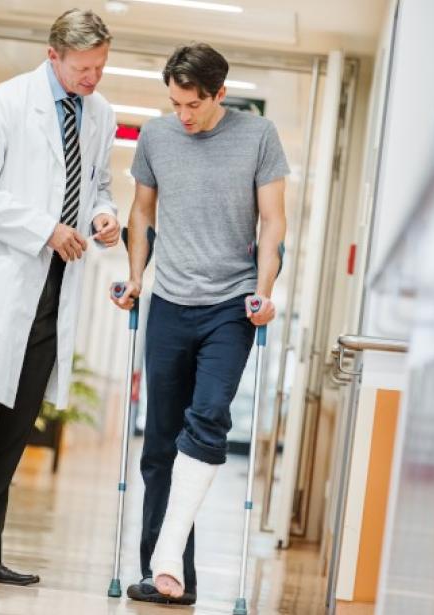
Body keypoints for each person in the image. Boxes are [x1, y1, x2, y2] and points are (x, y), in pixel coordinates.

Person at [0, 8, 121, 587]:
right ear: (53, 55)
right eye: (84, 67)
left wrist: (104, 215)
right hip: (3, 285)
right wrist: (44, 229)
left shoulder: (101, 114)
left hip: (54, 288)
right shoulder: (6, 102)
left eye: (100, 67)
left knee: (17, 428)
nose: (93, 78)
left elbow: (98, 185)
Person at [111, 43, 288, 605]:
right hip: (169, 302)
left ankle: (166, 559)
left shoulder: (258, 136)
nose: (183, 115)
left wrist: (264, 291)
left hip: (229, 306)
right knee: (160, 444)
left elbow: (273, 221)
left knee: (208, 416)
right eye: (175, 103)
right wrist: (135, 276)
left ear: (220, 94)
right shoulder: (157, 136)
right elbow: (142, 211)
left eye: (194, 104)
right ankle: (167, 574)